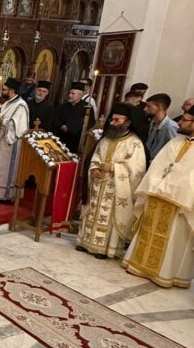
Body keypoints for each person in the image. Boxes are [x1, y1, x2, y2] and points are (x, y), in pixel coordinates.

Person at [122, 108, 194, 288]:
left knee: (174, 238)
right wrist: (155, 186)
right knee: (148, 230)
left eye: (185, 120)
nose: (180, 122)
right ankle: (140, 265)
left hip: (180, 203)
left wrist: (172, 189)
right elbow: (156, 167)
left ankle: (166, 273)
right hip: (157, 196)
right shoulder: (175, 142)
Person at [76, 104, 147, 259]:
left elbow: (137, 169)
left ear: (128, 122)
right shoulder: (106, 139)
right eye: (112, 120)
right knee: (92, 211)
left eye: (117, 120)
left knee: (109, 215)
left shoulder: (135, 143)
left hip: (116, 188)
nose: (113, 123)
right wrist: (94, 169)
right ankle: (85, 241)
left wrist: (114, 167)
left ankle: (105, 249)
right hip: (98, 183)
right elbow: (96, 156)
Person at [55, 82, 95, 154]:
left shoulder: (87, 108)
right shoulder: (63, 106)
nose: (70, 95)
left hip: (76, 140)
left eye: (73, 94)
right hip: (62, 138)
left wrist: (71, 128)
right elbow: (56, 119)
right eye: (70, 93)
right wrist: (61, 126)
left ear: (80, 95)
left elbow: (90, 124)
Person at [145, 92, 179, 160]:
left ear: (159, 107)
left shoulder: (171, 127)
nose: (145, 109)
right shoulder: (152, 123)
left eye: (149, 106)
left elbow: (175, 150)